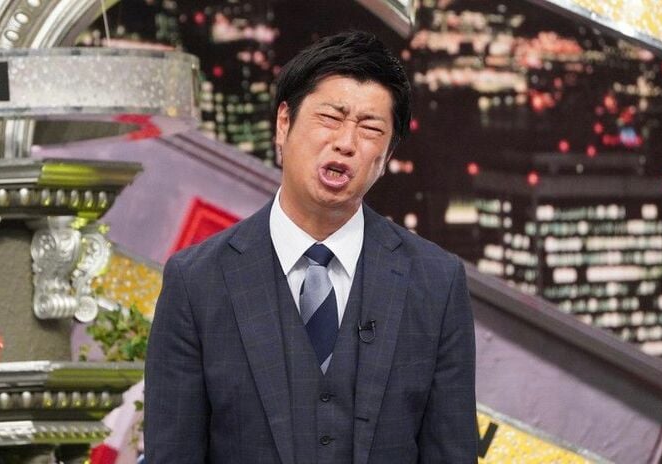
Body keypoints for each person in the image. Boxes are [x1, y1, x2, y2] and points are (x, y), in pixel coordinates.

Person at [145, 30, 477, 463]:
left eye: (370, 128)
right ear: (283, 123)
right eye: (331, 118)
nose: (346, 142)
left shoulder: (436, 282)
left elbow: (451, 452)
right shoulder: (197, 281)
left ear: (388, 155)